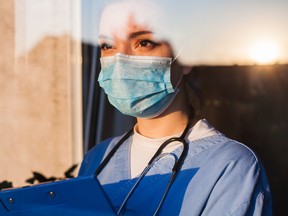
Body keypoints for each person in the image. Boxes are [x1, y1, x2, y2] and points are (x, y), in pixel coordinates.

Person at [78, 0, 272, 215]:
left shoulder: (230, 167)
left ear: (187, 55)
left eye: (144, 42)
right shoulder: (97, 159)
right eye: (108, 45)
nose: (121, 59)